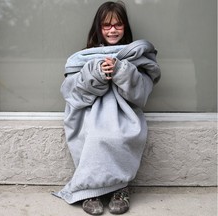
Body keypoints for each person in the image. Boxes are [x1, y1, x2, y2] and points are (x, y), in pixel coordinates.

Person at [53, 1, 161, 215]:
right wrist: (96, 73)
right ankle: (90, 190)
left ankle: (120, 188)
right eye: (107, 25)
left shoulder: (135, 57)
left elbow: (141, 93)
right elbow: (70, 91)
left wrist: (122, 70)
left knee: (117, 136)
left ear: (125, 27)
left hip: (124, 114)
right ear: (98, 28)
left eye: (118, 25)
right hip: (89, 112)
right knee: (92, 135)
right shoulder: (83, 57)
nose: (113, 30)